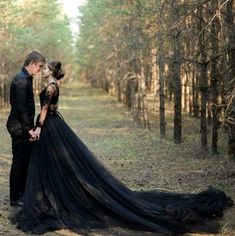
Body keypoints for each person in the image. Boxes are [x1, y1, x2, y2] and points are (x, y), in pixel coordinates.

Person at [12, 60, 233, 235]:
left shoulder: (50, 88)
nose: (42, 70)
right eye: (41, 68)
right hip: (55, 125)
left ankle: (54, 195)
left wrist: (38, 128)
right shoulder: (53, 85)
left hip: (49, 126)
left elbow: (44, 110)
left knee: (56, 163)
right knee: (57, 164)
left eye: (45, 68)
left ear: (51, 71)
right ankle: (52, 193)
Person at [6, 50, 46, 207]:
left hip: (22, 126)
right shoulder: (22, 80)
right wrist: (29, 129)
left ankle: (21, 194)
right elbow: (21, 108)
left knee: (23, 162)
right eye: (40, 66)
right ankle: (15, 198)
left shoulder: (25, 78)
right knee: (19, 162)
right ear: (31, 64)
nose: (40, 70)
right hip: (19, 127)